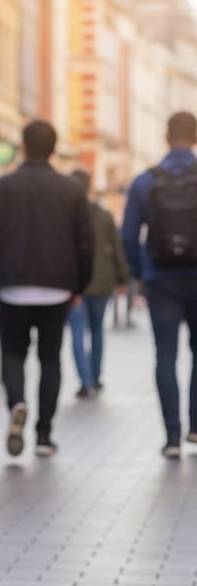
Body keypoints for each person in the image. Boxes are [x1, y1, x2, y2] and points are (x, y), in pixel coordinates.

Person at [0, 120, 93, 458]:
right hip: (57, 287)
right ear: (54, 149)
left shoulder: (1, 188)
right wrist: (79, 286)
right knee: (50, 359)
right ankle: (44, 435)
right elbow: (85, 243)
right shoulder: (71, 190)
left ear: (23, 147)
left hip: (11, 287)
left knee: (13, 354)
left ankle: (17, 402)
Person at [122, 111, 197, 458]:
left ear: (166, 138)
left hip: (160, 278)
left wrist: (141, 271)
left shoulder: (145, 181)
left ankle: (171, 438)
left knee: (164, 355)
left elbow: (128, 235)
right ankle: (196, 427)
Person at [67, 169, 129, 398]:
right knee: (96, 330)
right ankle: (95, 376)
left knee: (76, 332)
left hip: (75, 285)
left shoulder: (66, 215)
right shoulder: (103, 215)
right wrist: (122, 277)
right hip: (102, 282)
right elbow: (117, 248)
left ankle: (85, 382)